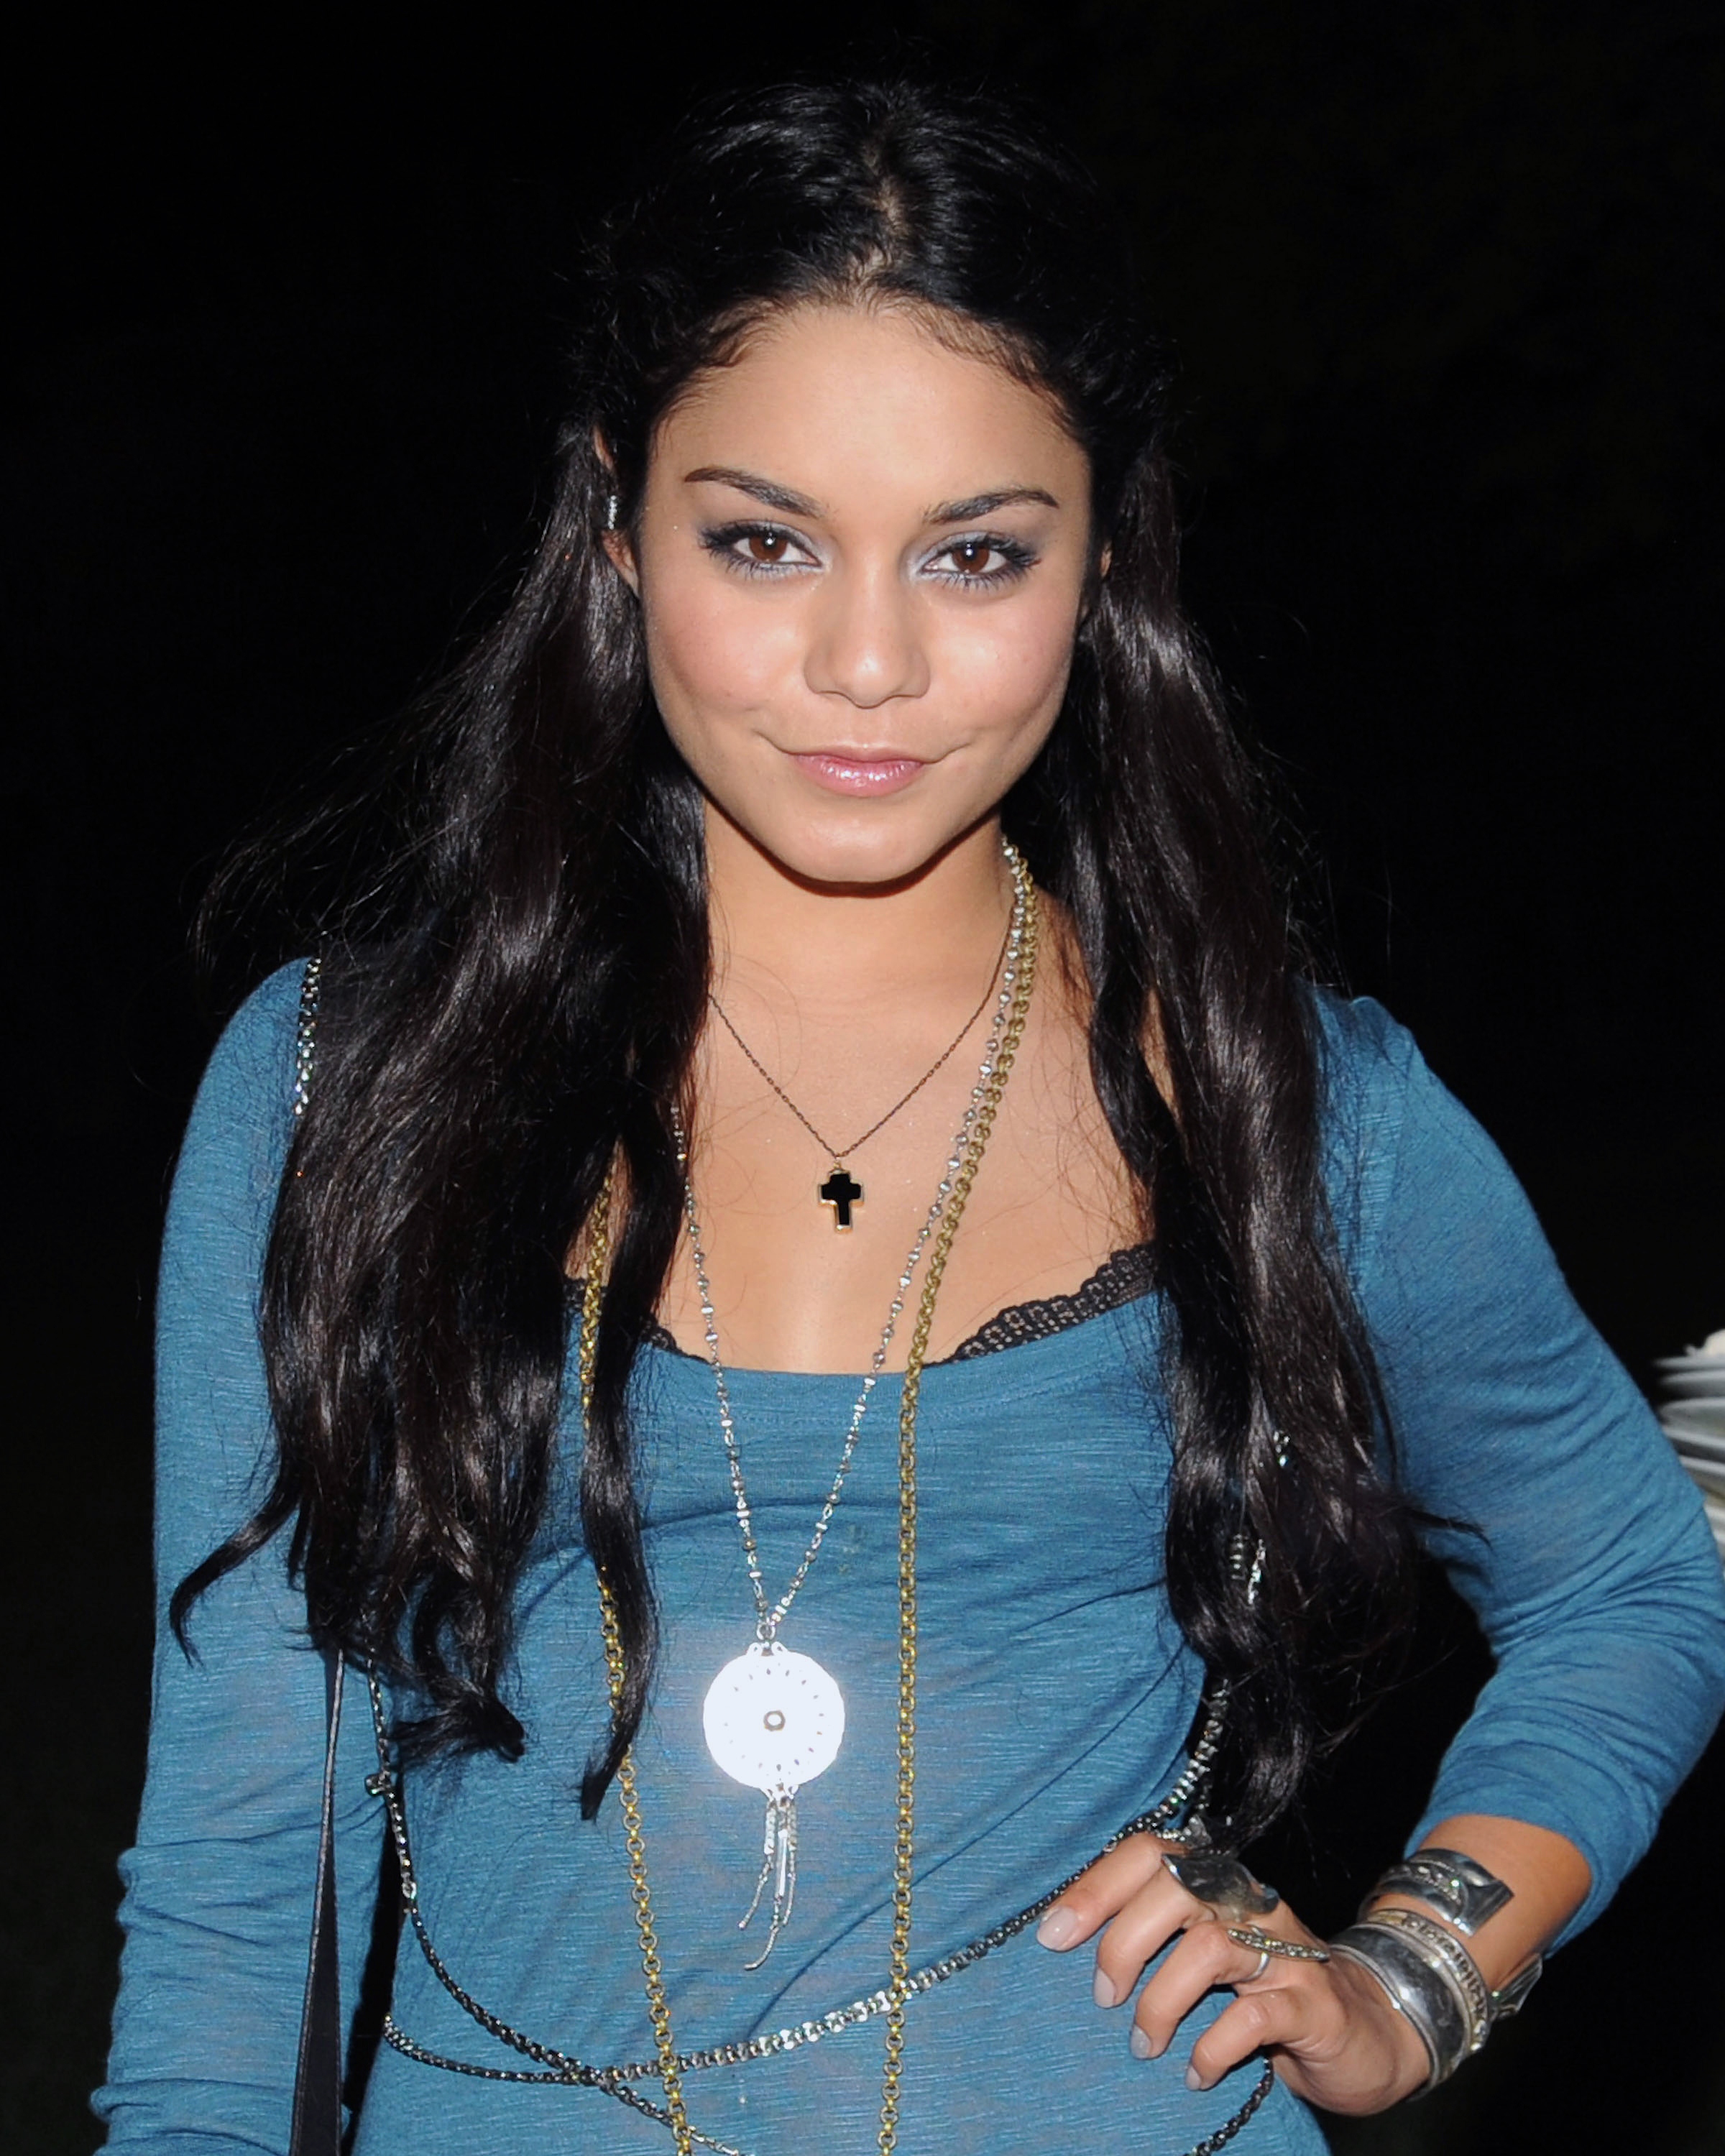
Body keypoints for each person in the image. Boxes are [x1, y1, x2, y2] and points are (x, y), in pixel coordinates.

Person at [96, 75, 1725, 2156]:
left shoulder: (1282, 1108)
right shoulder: (352, 1089)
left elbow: (1631, 1585)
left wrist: (1409, 1979)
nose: (865, 660)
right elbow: (241, 1873)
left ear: (1103, 557)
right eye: (763, 541)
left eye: (974, 554)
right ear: (616, 522)